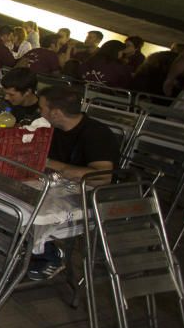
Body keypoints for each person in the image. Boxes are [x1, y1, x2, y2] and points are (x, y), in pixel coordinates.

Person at [30, 85, 120, 280]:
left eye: (42, 107)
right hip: (57, 188)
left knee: (28, 209)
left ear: (55, 112)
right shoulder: (53, 129)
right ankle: (33, 250)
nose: (39, 111)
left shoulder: (96, 134)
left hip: (90, 198)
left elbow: (103, 177)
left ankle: (49, 255)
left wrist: (51, 164)